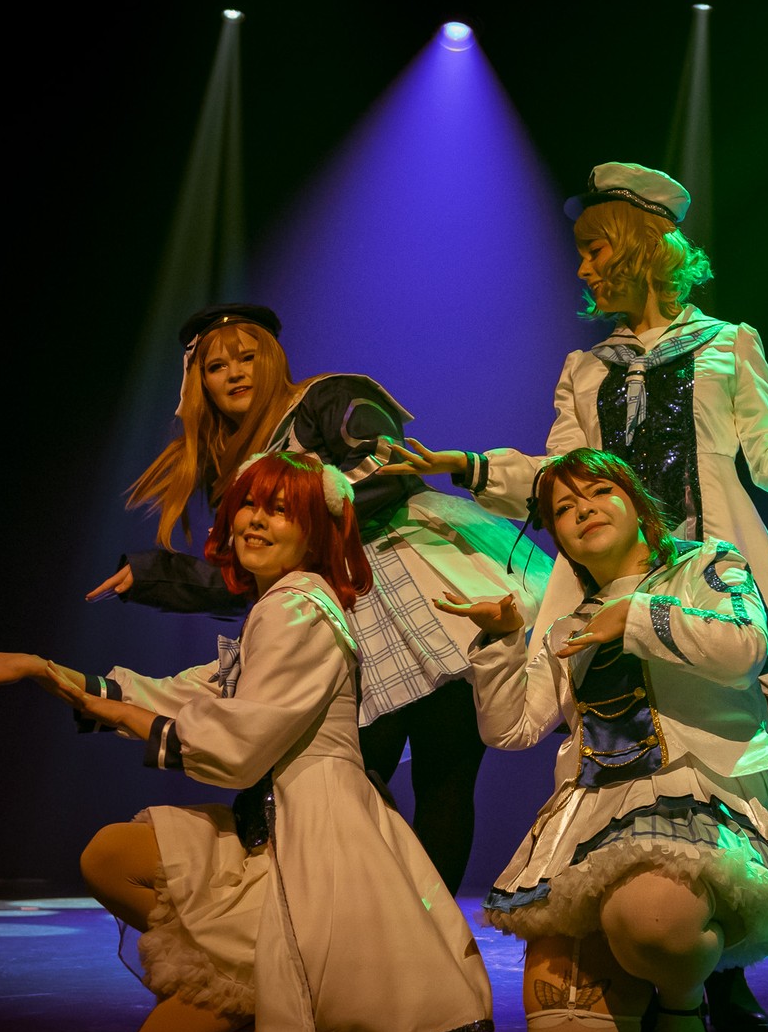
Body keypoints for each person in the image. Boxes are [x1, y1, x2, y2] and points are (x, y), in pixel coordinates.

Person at [383, 163, 768, 1032]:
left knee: (720, 750)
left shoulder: (729, 344)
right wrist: (467, 467)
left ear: (641, 246)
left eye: (595, 248)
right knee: (621, 743)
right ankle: (635, 938)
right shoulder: (586, 369)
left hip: (702, 581)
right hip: (605, 583)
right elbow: (561, 478)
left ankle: (719, 954)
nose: (583, 267)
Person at [0, 452, 495, 1032]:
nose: (256, 521)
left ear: (314, 535)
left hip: (313, 850)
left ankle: (322, 1020)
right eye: (249, 506)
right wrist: (48, 672)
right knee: (111, 856)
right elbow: (185, 694)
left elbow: (238, 745)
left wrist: (125, 713)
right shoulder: (278, 608)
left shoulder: (298, 609)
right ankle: (272, 990)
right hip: (273, 830)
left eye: (280, 511)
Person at [88, 303, 549, 894]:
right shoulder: (236, 467)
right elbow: (248, 576)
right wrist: (154, 575)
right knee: (347, 775)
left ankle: (431, 937)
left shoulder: (329, 397)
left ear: (272, 358)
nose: (234, 373)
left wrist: (308, 506)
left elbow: (388, 468)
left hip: (427, 590)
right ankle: (355, 916)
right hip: (342, 613)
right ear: (199, 382)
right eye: (216, 366)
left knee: (446, 778)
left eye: (246, 357)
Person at [438, 448, 768, 1032]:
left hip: (692, 798)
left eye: (599, 492)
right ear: (559, 539)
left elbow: (746, 647)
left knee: (654, 921)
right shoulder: (567, 623)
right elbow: (511, 729)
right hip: (590, 822)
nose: (583, 509)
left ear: (638, 506)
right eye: (564, 508)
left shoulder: (707, 565)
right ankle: (639, 980)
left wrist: (637, 615)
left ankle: (681, 998)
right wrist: (503, 640)